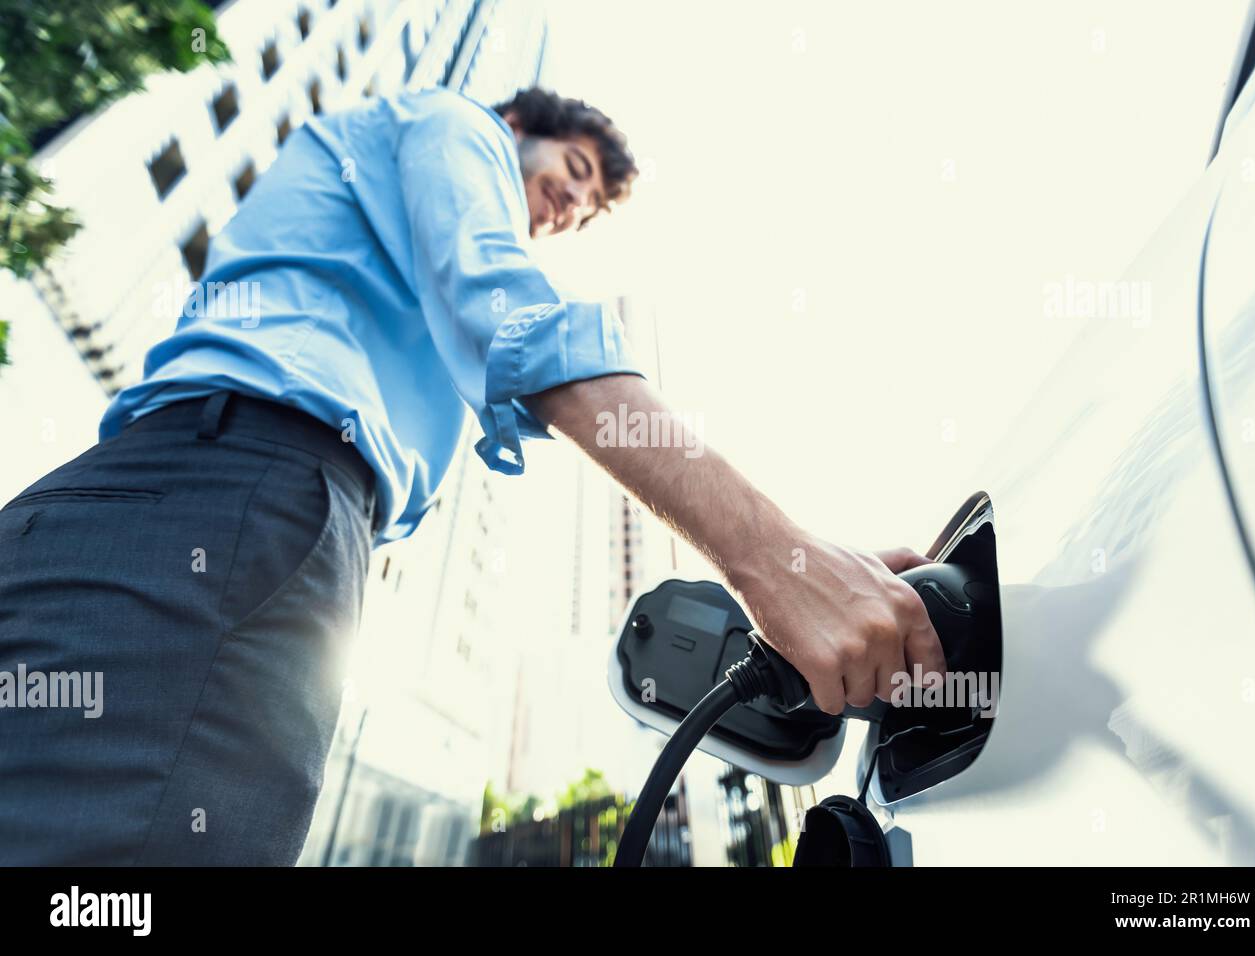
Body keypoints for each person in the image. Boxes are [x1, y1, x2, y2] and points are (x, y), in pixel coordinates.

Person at [0, 86, 945, 865]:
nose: (568, 205)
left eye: (584, 209)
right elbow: (512, 319)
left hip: (188, 502)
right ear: (521, 127)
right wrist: (776, 559)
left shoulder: (389, 190)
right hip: (230, 498)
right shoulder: (454, 127)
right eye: (572, 171)